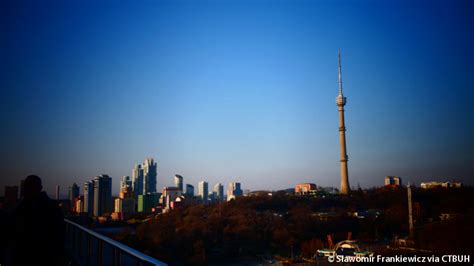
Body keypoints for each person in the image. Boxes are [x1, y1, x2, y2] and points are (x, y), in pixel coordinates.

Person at [13, 175, 65, 266]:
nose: (27, 190)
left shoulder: (21, 207)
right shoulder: (52, 206)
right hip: (44, 256)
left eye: (30, 186)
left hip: (35, 256)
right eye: (27, 186)